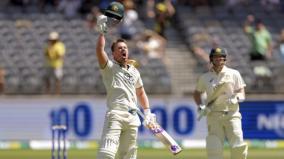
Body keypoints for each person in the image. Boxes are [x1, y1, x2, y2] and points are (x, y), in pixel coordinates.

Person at [95, 12, 156, 159]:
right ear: (113, 53)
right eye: (120, 48)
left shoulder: (134, 71)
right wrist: (102, 32)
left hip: (132, 117)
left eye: (125, 48)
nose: (123, 50)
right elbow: (99, 50)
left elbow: (141, 93)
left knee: (128, 156)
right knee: (107, 153)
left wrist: (147, 112)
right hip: (116, 114)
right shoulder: (109, 67)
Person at [193, 48, 248, 159]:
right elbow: (197, 93)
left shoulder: (234, 74)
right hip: (213, 115)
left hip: (232, 114)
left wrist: (236, 98)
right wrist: (200, 106)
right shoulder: (205, 77)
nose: (219, 59)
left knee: (238, 146)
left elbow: (242, 93)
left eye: (221, 57)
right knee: (214, 148)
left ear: (225, 59)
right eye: (216, 57)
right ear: (211, 59)